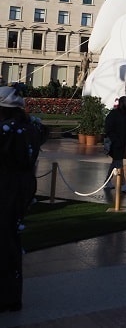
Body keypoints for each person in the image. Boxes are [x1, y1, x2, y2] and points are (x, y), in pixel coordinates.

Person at [0, 87, 44, 312]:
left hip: (7, 188)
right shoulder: (31, 127)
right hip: (23, 187)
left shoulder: (7, 130)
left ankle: (6, 296)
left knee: (4, 241)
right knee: (12, 239)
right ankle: (12, 294)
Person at [104, 96, 126, 193]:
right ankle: (123, 184)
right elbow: (108, 128)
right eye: (125, 102)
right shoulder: (113, 114)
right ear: (121, 103)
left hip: (125, 142)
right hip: (116, 143)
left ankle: (107, 182)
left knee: (116, 162)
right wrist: (114, 139)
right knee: (119, 163)